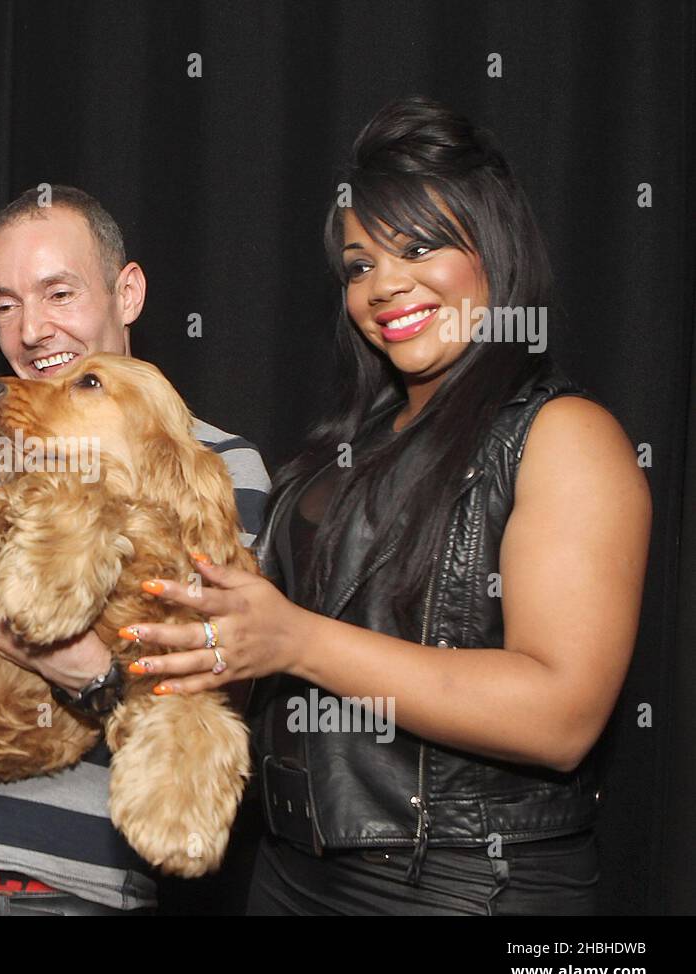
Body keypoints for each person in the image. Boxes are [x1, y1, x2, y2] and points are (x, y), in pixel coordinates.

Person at [117, 97, 651, 915]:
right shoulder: (350, 445)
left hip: (466, 886)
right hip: (289, 873)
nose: (384, 285)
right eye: (360, 265)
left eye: (421, 246)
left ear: (494, 248)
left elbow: (561, 714)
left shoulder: (564, 435)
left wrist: (293, 639)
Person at [0, 185, 271, 915]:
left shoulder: (217, 467)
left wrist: (84, 671)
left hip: (70, 894)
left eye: (58, 293)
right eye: (5, 304)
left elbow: (215, 709)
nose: (32, 330)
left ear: (126, 293)